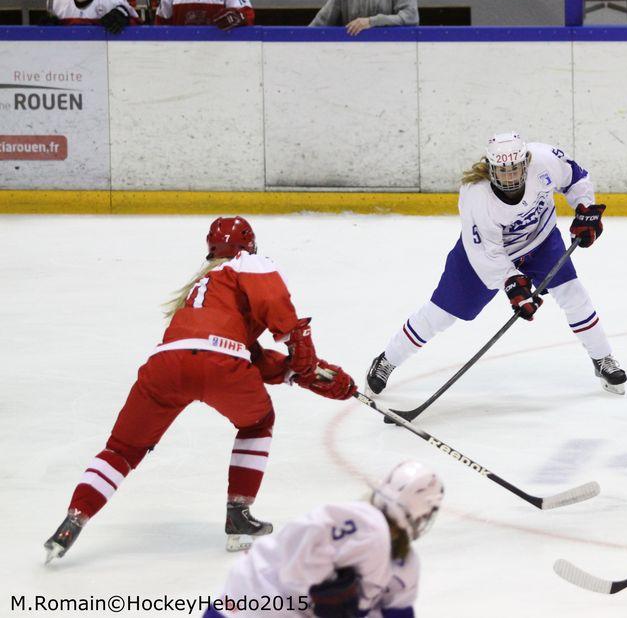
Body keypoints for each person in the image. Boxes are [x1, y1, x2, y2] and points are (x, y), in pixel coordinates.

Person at [44, 216, 357, 563]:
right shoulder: (249, 263)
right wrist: (305, 360)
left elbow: (249, 356)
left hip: (165, 366)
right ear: (250, 244)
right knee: (257, 422)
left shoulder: (200, 287)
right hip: (220, 365)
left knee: (121, 449)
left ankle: (73, 520)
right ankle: (238, 513)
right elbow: (278, 320)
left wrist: (301, 374)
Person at [365, 132, 627, 398]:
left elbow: (576, 178)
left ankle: (603, 358)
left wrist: (585, 209)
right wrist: (512, 283)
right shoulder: (477, 196)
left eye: (515, 169)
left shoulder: (544, 160)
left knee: (573, 294)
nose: (510, 177)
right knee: (440, 315)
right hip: (482, 258)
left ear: (526, 162)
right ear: (490, 169)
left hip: (541, 240)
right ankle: (387, 359)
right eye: (503, 171)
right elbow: (488, 253)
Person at [204, 460, 444, 618]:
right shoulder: (362, 524)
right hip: (251, 602)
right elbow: (300, 554)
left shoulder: (404, 563)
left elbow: (398, 609)